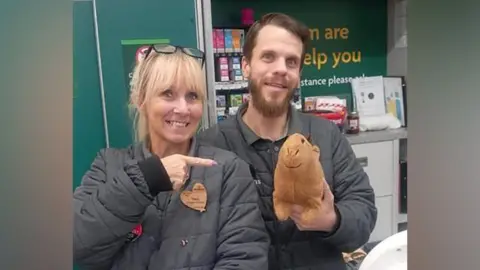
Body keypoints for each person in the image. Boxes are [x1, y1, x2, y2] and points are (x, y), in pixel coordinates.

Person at [197, 13, 378, 270]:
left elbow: (364, 214)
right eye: (268, 57)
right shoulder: (212, 145)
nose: (281, 68)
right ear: (246, 65)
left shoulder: (326, 135)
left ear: (299, 73)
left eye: (291, 61)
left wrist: (333, 220)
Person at [73, 44, 269, 270]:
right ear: (141, 100)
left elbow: (244, 259)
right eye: (168, 94)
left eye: (192, 96)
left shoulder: (227, 170)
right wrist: (146, 180)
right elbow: (79, 244)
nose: (183, 109)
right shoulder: (109, 164)